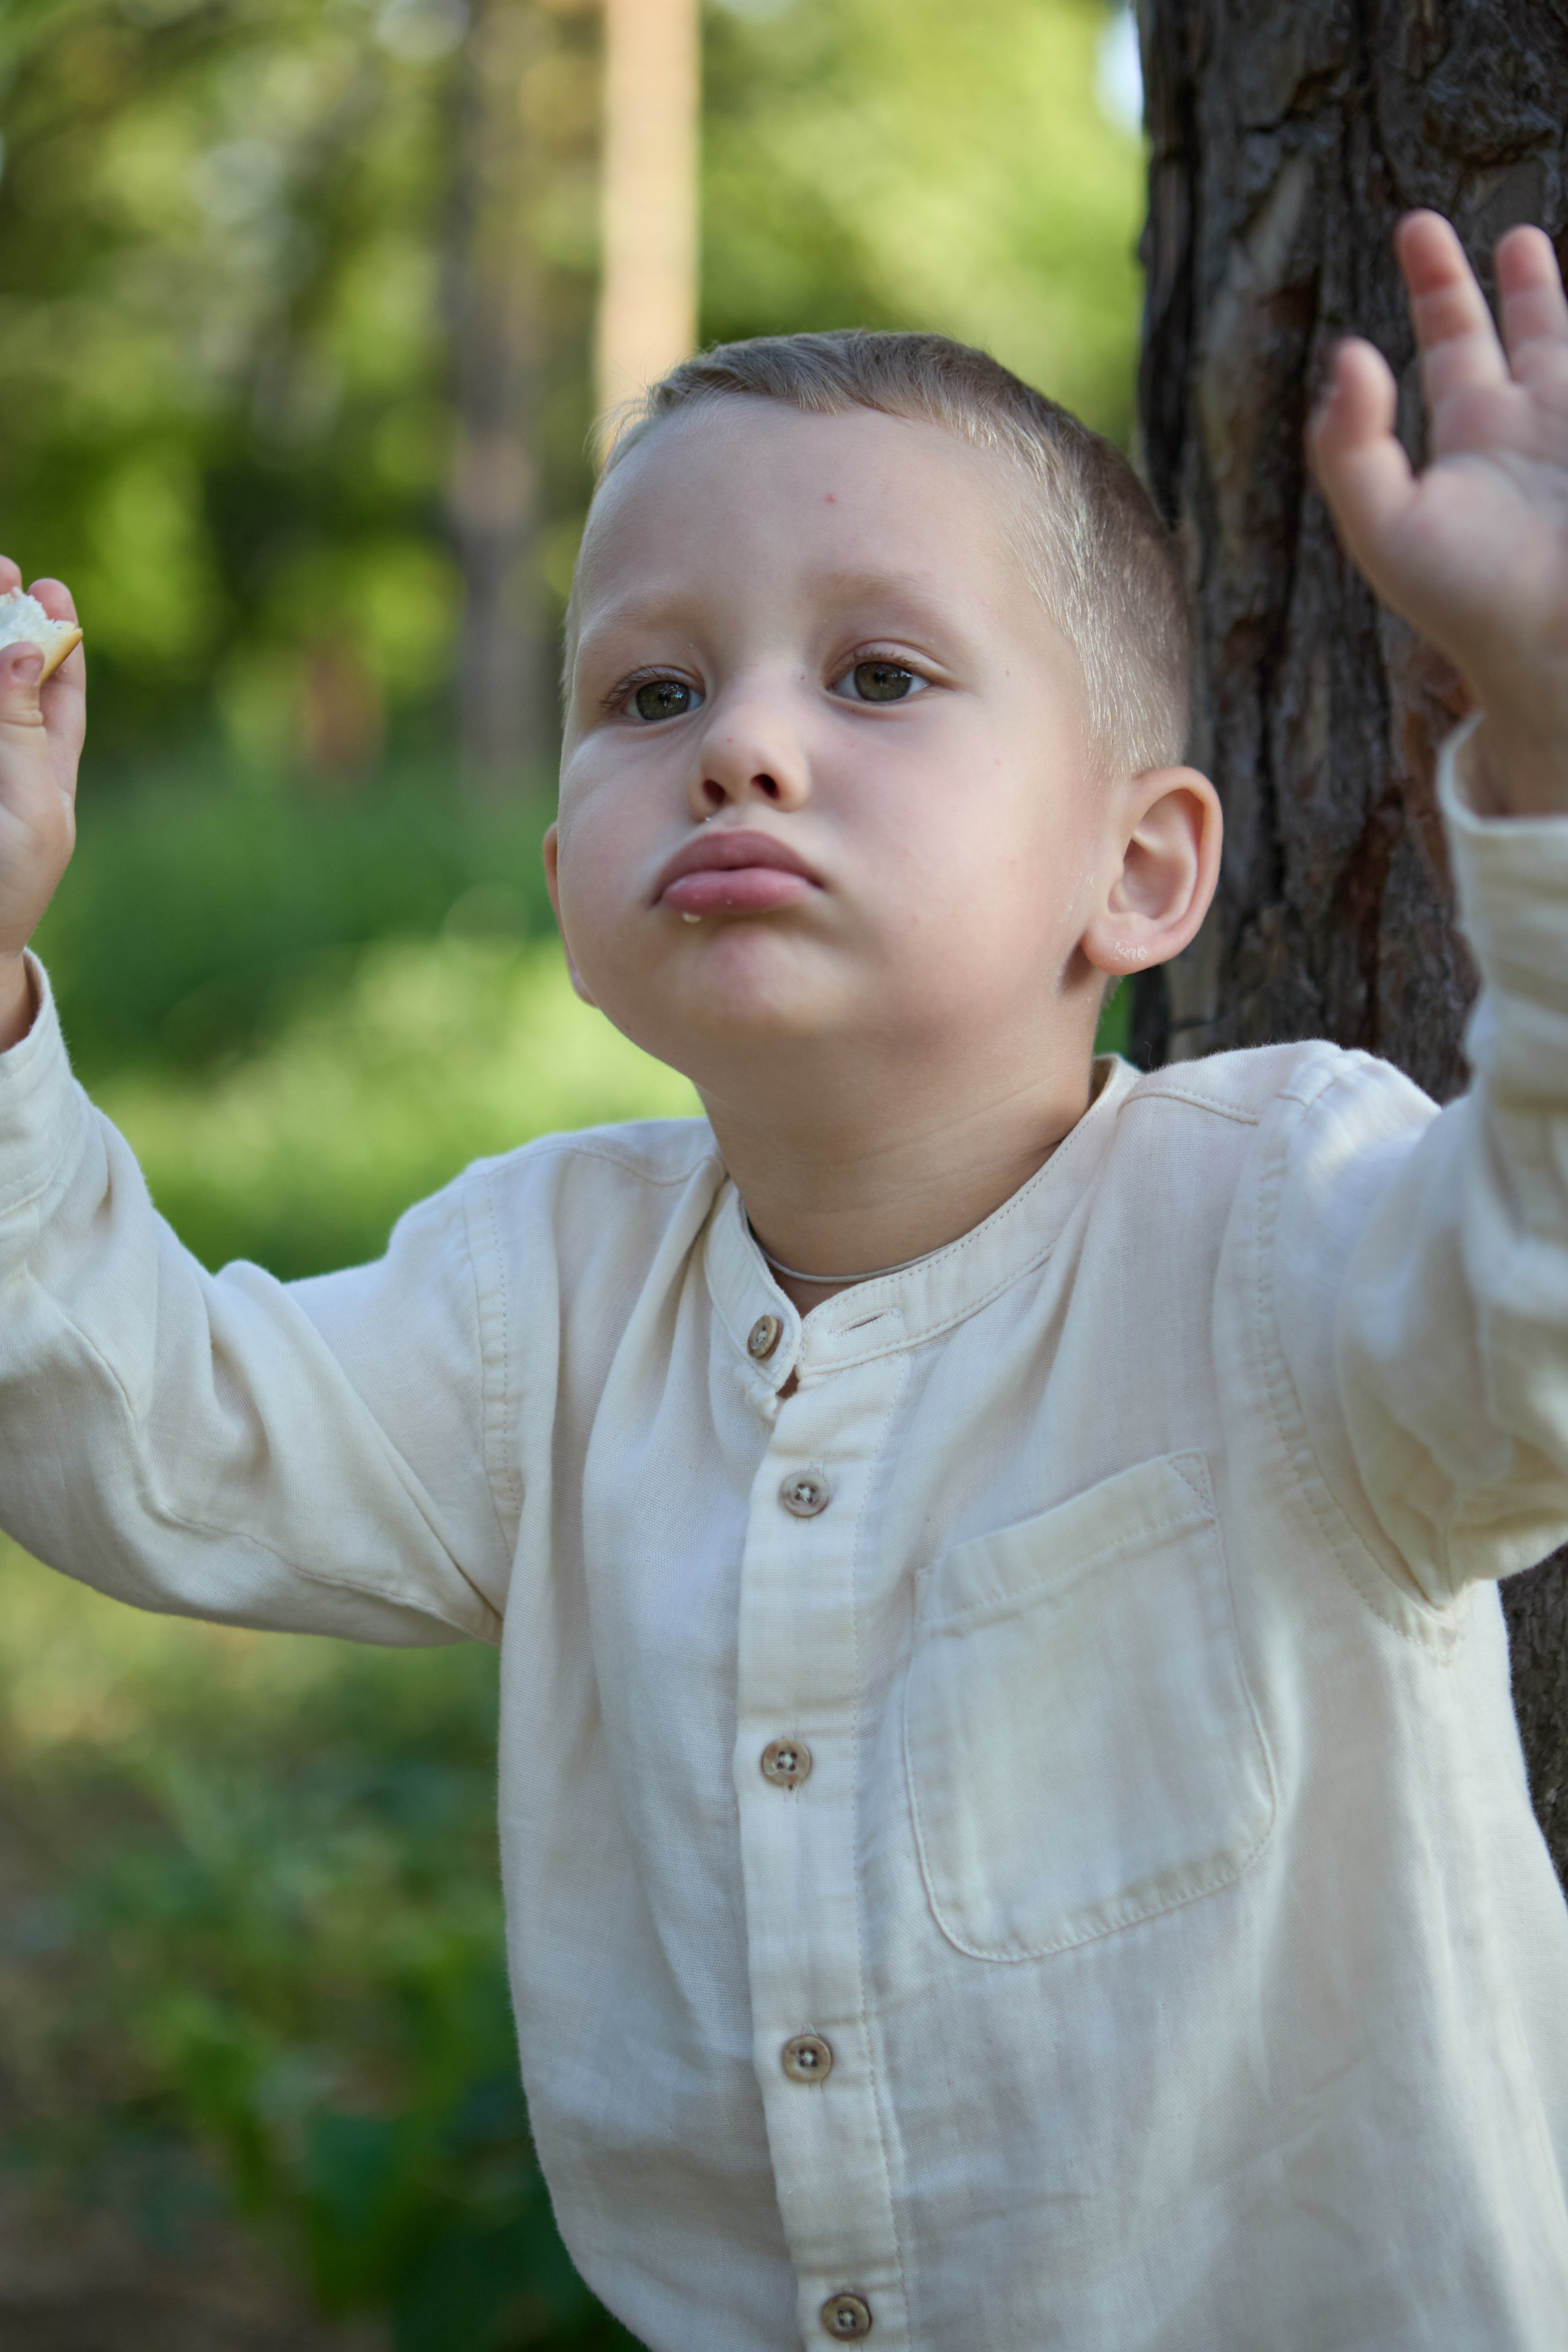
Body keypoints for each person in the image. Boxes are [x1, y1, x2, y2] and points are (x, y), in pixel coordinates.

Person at [0, 209, 1565, 2349]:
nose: (739, 743)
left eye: (879, 677)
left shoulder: (1286, 1220)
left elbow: (1539, 1318)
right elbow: (148, 1435)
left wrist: (1553, 751)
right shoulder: (541, 1298)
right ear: (569, 884)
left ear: (1142, 866)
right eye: (653, 691)